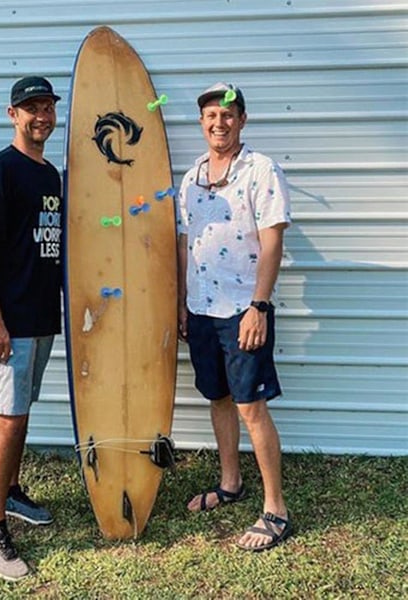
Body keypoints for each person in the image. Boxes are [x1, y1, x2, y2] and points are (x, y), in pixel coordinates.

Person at [176, 82, 293, 551]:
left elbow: (272, 242)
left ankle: (275, 510)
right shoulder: (191, 178)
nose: (218, 123)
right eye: (210, 116)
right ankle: (230, 484)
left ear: (242, 120)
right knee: (219, 398)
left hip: (244, 310)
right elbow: (185, 244)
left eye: (228, 115)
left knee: (250, 406)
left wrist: (259, 306)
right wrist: (182, 304)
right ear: (201, 122)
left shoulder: (261, 170)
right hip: (202, 309)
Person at [0, 76, 62, 580]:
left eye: (47, 107)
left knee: (21, 411)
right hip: (11, 322)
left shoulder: (51, 176)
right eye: (31, 108)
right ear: (12, 114)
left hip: (43, 318)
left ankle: (12, 490)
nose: (41, 116)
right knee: (6, 415)